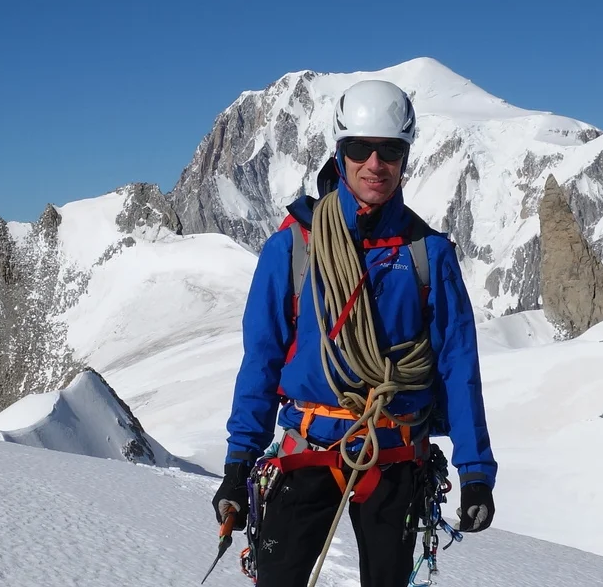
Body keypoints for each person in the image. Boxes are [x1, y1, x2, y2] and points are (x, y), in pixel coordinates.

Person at [212, 79, 495, 587]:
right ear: (340, 152)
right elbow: (262, 358)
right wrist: (239, 463)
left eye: (389, 150)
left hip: (395, 453)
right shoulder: (294, 246)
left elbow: (458, 365)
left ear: (405, 156)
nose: (375, 163)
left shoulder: (428, 254)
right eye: (360, 148)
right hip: (308, 447)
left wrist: (475, 471)